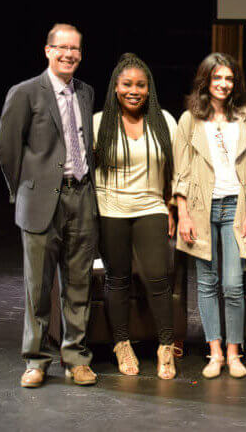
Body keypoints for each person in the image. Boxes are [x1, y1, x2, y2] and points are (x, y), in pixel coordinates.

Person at [0, 23, 99, 388]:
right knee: (37, 287)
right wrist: (24, 189)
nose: (69, 54)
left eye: (75, 49)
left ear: (81, 55)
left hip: (81, 196)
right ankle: (36, 361)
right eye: (62, 47)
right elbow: (6, 149)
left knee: (78, 284)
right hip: (41, 201)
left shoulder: (85, 93)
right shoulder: (25, 92)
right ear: (47, 50)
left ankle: (76, 358)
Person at [173, 53, 246, 379]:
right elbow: (180, 174)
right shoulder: (189, 120)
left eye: (229, 78)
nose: (223, 84)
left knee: (234, 284)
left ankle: (234, 352)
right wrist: (183, 215)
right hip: (201, 208)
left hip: (235, 207)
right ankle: (214, 353)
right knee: (207, 284)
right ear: (206, 81)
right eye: (217, 78)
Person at [93, 53, 178, 380]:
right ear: (116, 87)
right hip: (110, 209)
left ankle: (166, 346)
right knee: (118, 278)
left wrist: (171, 206)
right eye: (127, 84)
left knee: (157, 278)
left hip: (151, 207)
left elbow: (175, 170)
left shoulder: (164, 121)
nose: (134, 90)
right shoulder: (99, 122)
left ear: (149, 88)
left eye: (140, 85)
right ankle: (121, 344)